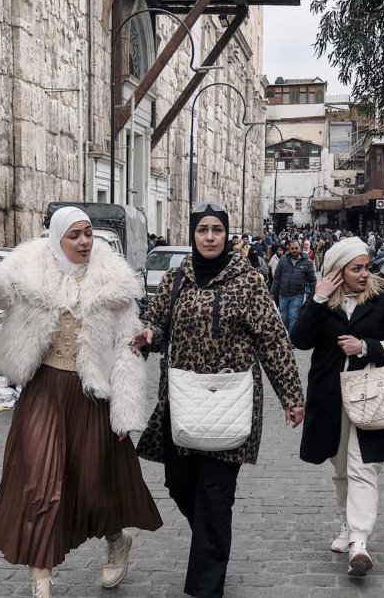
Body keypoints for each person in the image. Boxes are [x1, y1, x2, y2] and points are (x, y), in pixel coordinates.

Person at [0, 209, 162, 598]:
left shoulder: (113, 281)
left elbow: (126, 347)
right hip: (44, 391)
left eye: (88, 234)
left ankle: (117, 540)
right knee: (40, 483)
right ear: (56, 238)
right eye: (74, 235)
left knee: (95, 487)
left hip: (92, 396)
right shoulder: (31, 267)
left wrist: (125, 412)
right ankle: (41, 583)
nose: (84, 242)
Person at [130, 203, 306, 598]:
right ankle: (213, 537)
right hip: (182, 402)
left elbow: (273, 341)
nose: (210, 237)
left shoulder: (249, 282)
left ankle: (206, 586)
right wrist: (149, 334)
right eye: (202, 230)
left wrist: (291, 396)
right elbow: (156, 321)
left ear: (227, 236)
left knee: (214, 495)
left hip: (231, 402)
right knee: (178, 483)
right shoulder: (176, 278)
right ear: (193, 234)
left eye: (217, 230)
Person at [290, 237, 384, 577]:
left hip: (373, 396)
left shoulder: (383, 297)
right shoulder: (323, 301)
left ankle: (359, 540)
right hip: (331, 397)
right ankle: (346, 525)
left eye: (366, 267)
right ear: (337, 271)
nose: (364, 274)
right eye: (356, 268)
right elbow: (299, 339)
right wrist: (317, 298)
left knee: (365, 466)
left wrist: (365, 347)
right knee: (341, 467)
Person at [272, 239, 317, 333]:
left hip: (297, 295)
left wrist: (315, 293)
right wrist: (272, 292)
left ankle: (291, 337)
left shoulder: (307, 262)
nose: (294, 250)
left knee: (293, 316)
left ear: (300, 247)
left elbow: (312, 281)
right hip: (283, 294)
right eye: (292, 249)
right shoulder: (283, 259)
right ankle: (288, 334)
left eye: (296, 248)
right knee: (284, 317)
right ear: (289, 249)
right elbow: (277, 277)